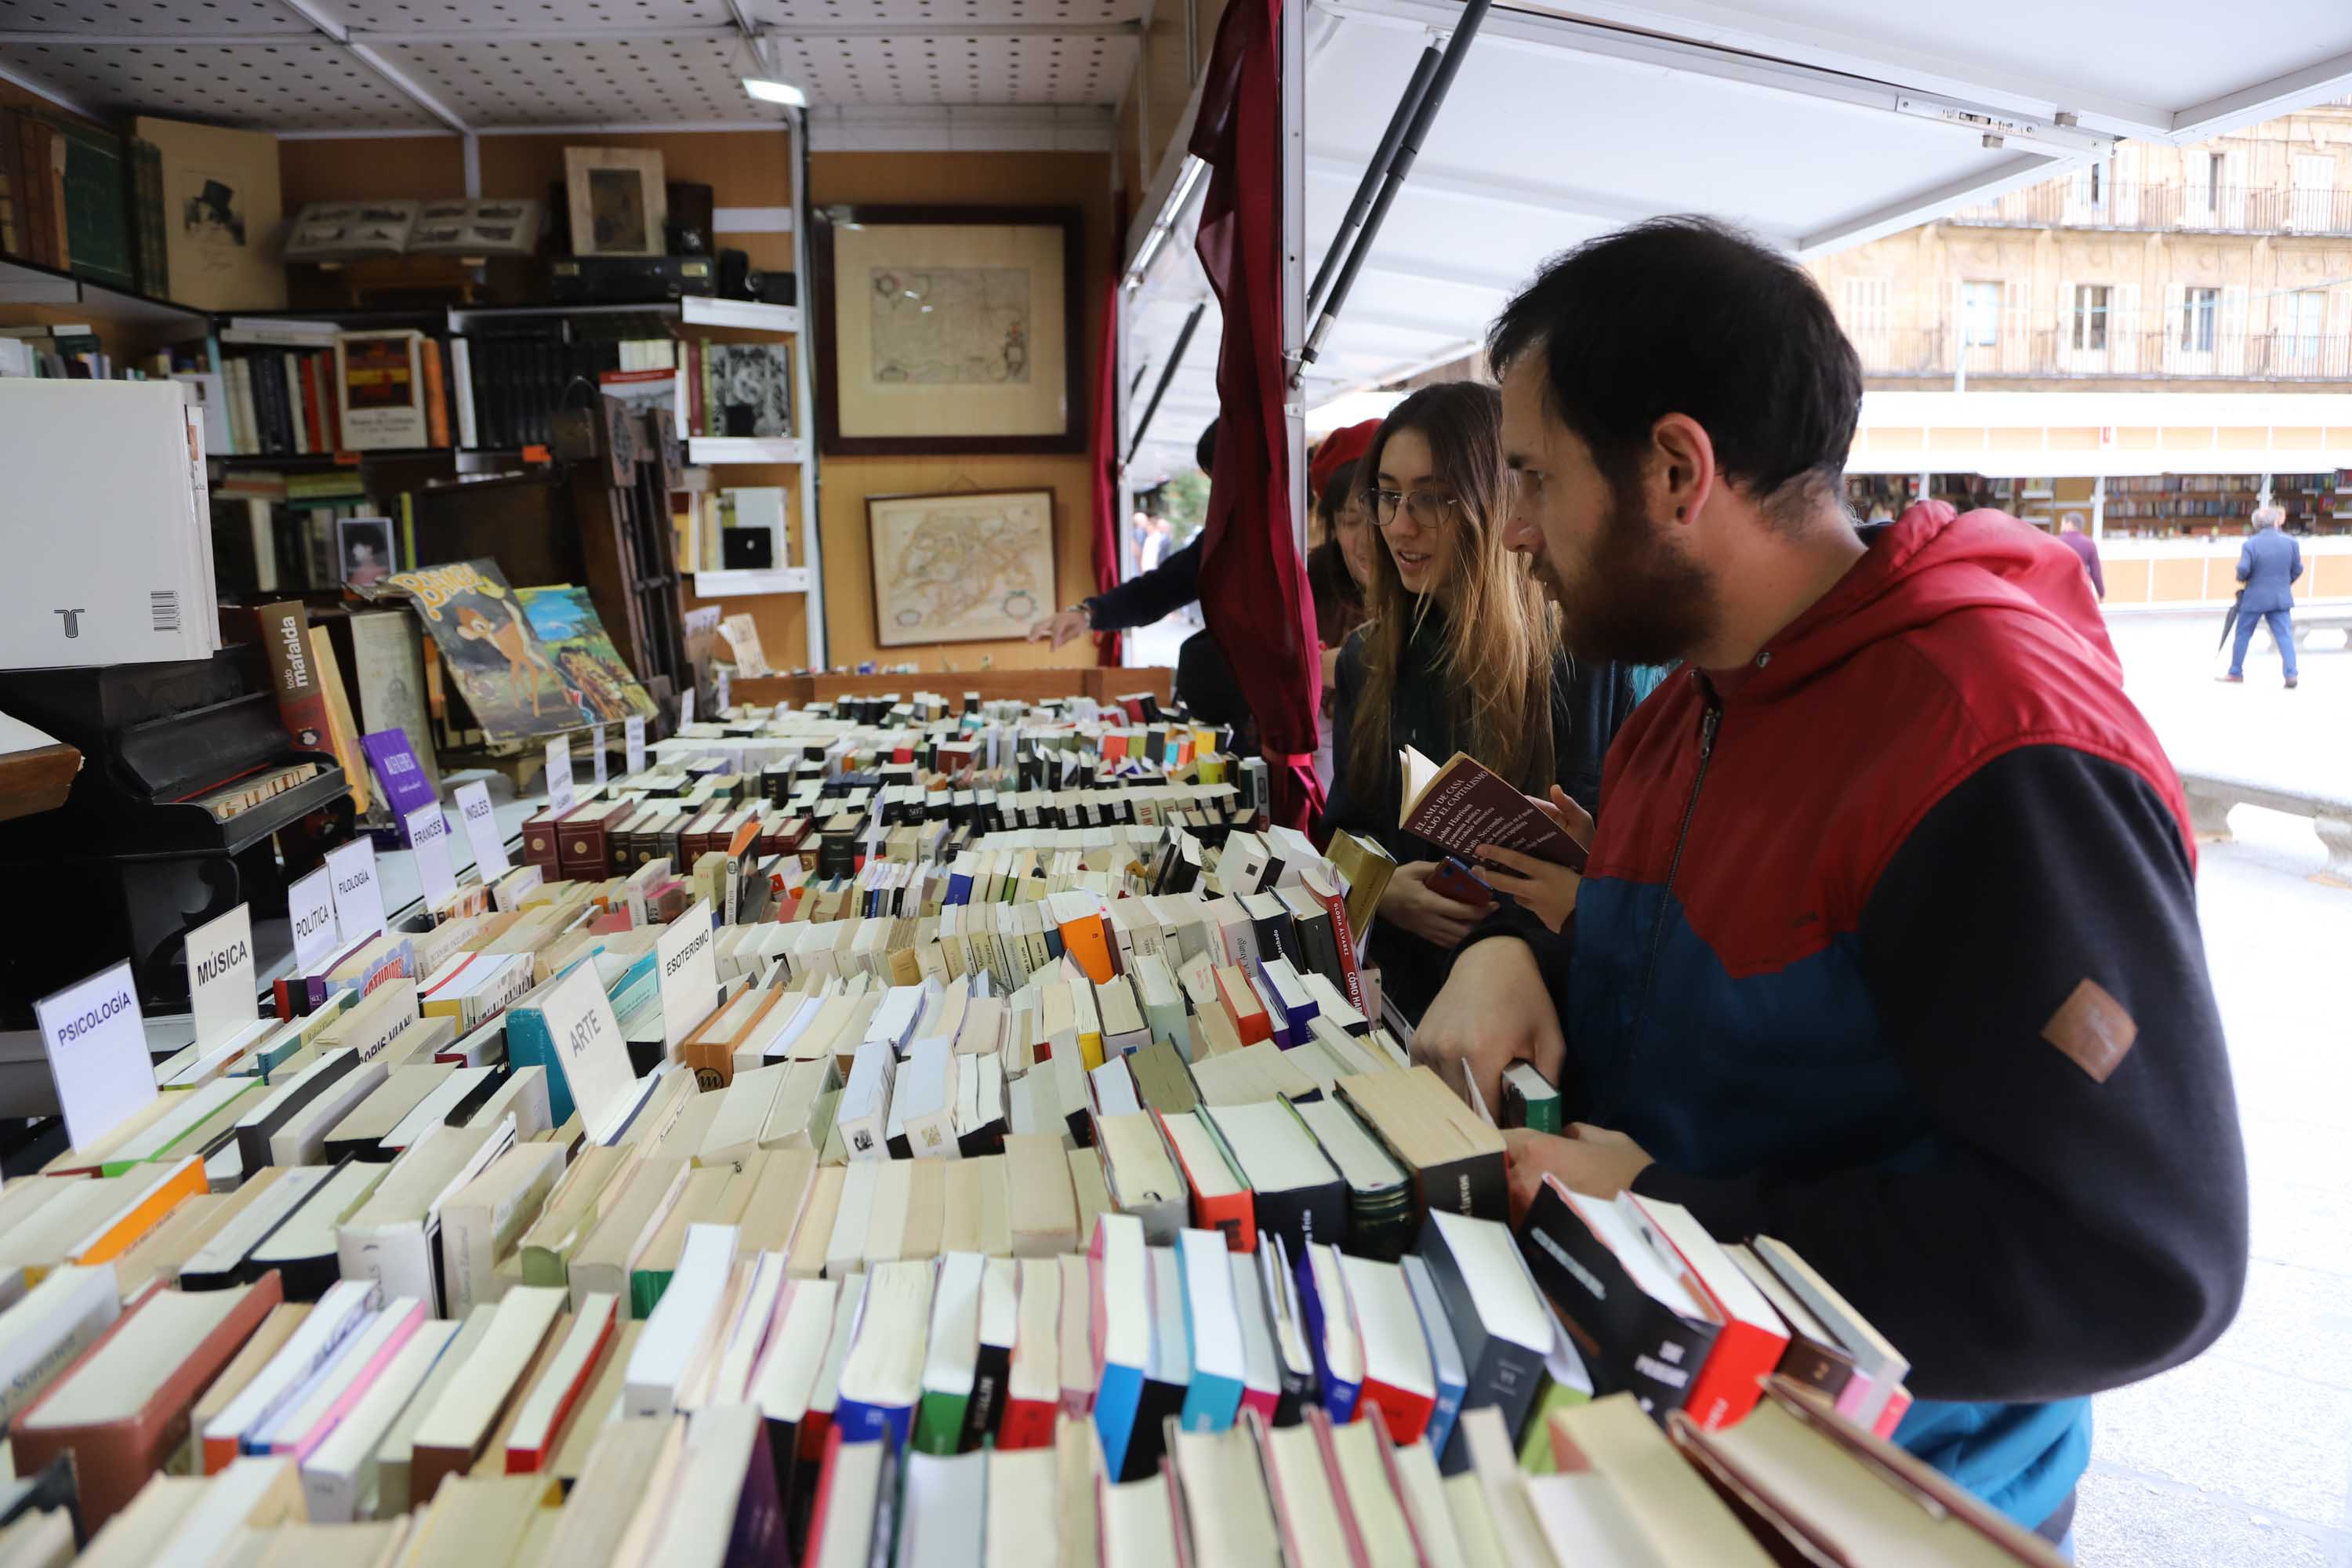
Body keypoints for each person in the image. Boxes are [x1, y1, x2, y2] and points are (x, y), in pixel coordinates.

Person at [1411, 217, 2245, 1548]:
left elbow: (2134, 1261)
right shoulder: (1680, 709)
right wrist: (1516, 951)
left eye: (1532, 479)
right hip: (1681, 1435)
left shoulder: (1990, 745)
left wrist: (1673, 1218)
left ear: (1678, 468)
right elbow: (1717, 998)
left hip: (1877, 1499)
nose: (1510, 532)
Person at [1323, 382, 1643, 1022]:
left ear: (1497, 500)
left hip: (1546, 1007)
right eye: (1387, 496)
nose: (1399, 526)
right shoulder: (1371, 657)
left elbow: (1617, 860)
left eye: (1434, 498)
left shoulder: (1580, 655)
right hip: (1410, 1002)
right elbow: (1341, 833)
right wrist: (1382, 891)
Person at [2223, 503, 2302, 688]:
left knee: (2243, 634)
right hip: (2280, 597)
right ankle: (2291, 675)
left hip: (2254, 598)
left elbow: (2243, 569)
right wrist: (2285, 582)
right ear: (2276, 522)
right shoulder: (2291, 543)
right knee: (2284, 636)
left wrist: (2242, 578)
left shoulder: (2250, 545)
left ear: (2257, 525)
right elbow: (2298, 569)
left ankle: (2236, 672)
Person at [2056, 512, 2104, 601]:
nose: (2061, 526)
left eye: (2062, 523)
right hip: (2082, 588)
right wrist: (2101, 593)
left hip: (2060, 588)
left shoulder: (2056, 542)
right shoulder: (2089, 544)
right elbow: (2096, 572)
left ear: (2069, 524)